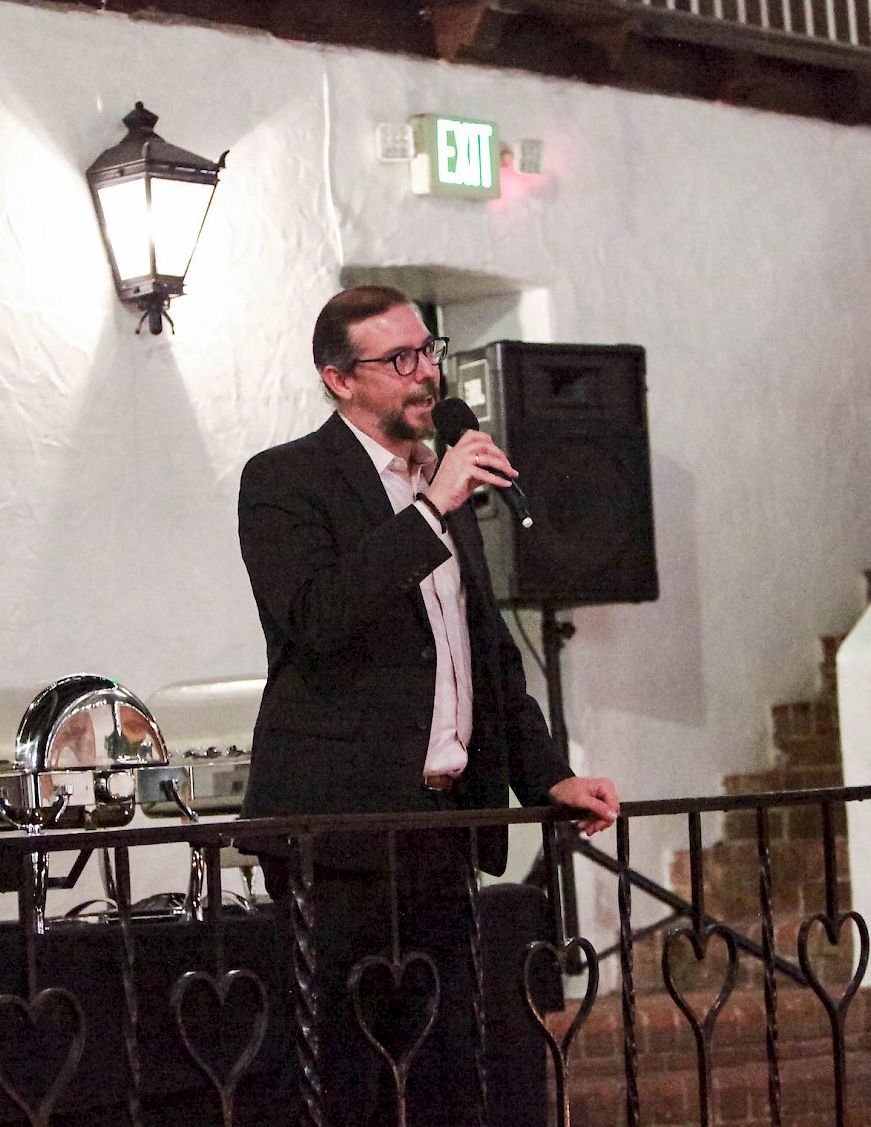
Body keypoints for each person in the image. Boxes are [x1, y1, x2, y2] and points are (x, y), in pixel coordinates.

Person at [236, 286, 619, 1125]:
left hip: (441, 826)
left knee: (452, 1077)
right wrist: (429, 509)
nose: (425, 374)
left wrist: (549, 777)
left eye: (428, 350)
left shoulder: (438, 484)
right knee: (343, 1083)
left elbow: (484, 655)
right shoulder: (285, 480)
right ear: (340, 379)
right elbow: (317, 617)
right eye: (399, 359)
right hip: (337, 834)